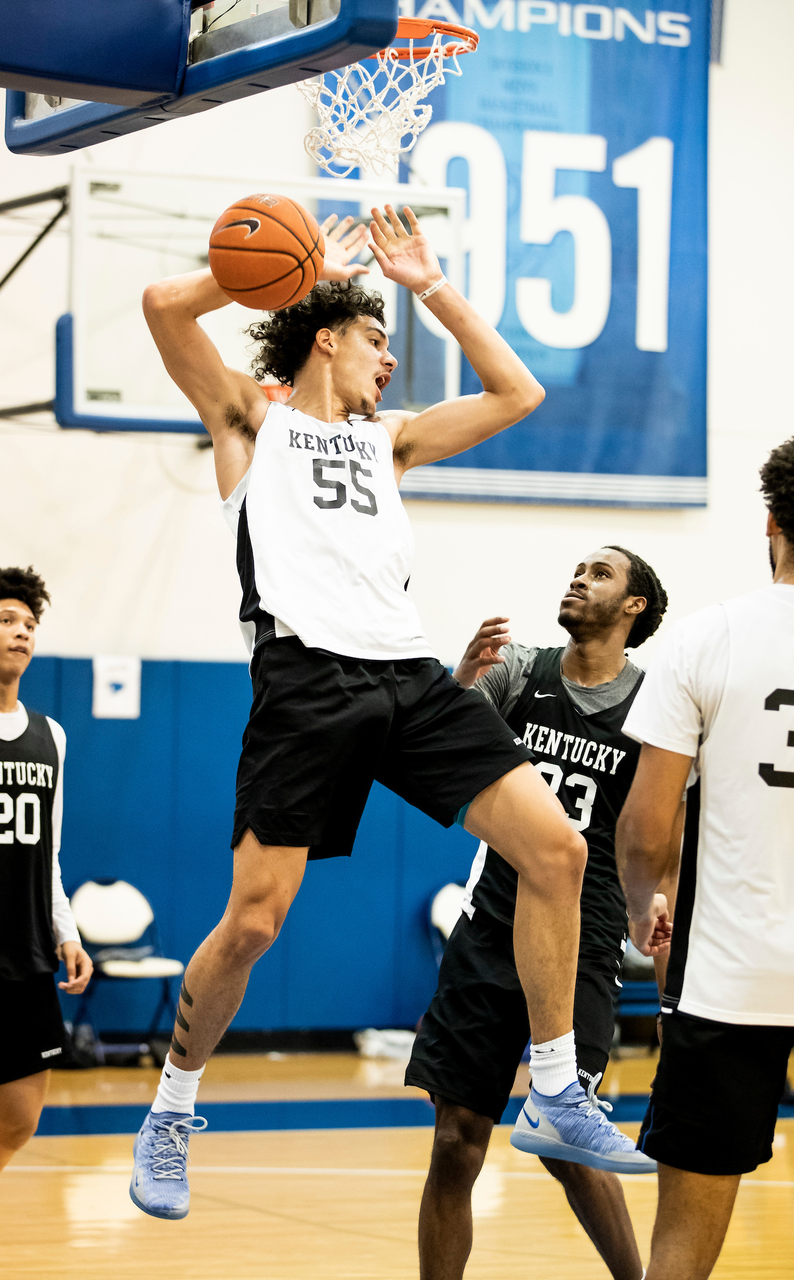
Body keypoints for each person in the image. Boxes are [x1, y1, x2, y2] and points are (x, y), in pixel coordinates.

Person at [130, 206, 629, 1220]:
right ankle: (173, 1106)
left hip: (409, 676)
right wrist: (286, 261)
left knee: (557, 851)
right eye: (375, 336)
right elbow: (162, 305)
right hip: (305, 685)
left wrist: (427, 281)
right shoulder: (248, 418)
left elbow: (515, 390)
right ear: (324, 334)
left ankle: (552, 1083)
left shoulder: (388, 442)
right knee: (254, 920)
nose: (388, 360)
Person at [407, 545, 674, 1280]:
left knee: (568, 1145)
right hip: (493, 917)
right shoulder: (520, 669)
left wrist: (661, 916)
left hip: (583, 933)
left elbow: (660, 839)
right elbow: (435, 746)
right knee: (455, 1138)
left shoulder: (655, 705)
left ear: (633, 607)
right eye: (576, 568)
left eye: (599, 574)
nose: (577, 578)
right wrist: (459, 683)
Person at [616, 439, 794, 1280]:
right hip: (734, 978)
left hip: (729, 980)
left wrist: (646, 910)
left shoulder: (703, 639)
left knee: (682, 1248)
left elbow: (647, 830)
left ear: (770, 525)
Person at [0, 564, 92, 1280]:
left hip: (24, 953)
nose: (22, 629)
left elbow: (50, 848)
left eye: (29, 621)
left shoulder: (51, 736)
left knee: (14, 1123)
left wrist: (66, 930)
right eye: (6, 618)